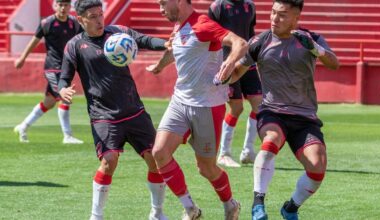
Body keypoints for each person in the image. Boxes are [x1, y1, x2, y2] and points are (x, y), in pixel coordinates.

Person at [58, 0, 169, 219]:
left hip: (134, 110)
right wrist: (62, 90)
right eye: (93, 16)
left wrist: (165, 44)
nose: (100, 20)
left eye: (101, 14)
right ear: (80, 20)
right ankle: (96, 216)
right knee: (109, 161)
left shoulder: (118, 33)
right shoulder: (74, 46)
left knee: (156, 161)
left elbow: (144, 40)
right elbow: (64, 78)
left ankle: (157, 213)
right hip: (103, 116)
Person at [230, 0, 340, 219]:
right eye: (272, 13)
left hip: (305, 117)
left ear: (296, 18)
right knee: (270, 141)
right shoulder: (260, 41)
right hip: (272, 112)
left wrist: (316, 50)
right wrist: (222, 75)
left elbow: (334, 63)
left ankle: (290, 208)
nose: (274, 19)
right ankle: (258, 204)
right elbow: (235, 73)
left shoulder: (312, 39)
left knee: (317, 166)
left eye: (281, 15)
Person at [146, 0, 248, 219]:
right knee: (159, 153)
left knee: (206, 168)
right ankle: (190, 208)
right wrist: (160, 65)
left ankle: (230, 204)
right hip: (180, 102)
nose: (160, 9)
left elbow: (240, 43)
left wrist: (229, 63)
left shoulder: (202, 25)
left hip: (207, 107)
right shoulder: (179, 25)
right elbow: (175, 50)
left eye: (164, 3)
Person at [13, 0, 84, 144]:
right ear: (55, 6)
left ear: (70, 7)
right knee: (66, 96)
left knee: (49, 102)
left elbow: (84, 41)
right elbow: (34, 41)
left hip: (66, 68)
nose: (63, 8)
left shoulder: (74, 24)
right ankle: (67, 136)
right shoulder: (47, 23)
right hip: (52, 67)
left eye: (66, 5)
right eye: (60, 4)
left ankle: (23, 126)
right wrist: (22, 58)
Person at [208, 0, 262, 168]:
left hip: (247, 62)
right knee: (236, 108)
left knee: (259, 106)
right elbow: (211, 35)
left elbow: (251, 34)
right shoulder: (218, 7)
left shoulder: (250, 6)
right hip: (226, 62)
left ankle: (248, 151)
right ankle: (224, 153)